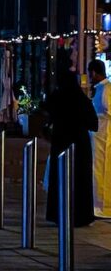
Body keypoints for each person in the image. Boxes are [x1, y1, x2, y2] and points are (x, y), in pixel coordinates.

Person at [42, 49, 98, 227]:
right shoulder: (82, 100)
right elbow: (93, 123)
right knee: (80, 180)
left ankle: (58, 212)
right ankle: (81, 215)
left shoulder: (57, 97)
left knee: (60, 178)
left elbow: (46, 111)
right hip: (80, 144)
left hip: (61, 142)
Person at [89, 58, 111, 218]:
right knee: (97, 168)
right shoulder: (101, 89)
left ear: (94, 73)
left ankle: (101, 206)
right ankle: (97, 204)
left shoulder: (106, 90)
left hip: (104, 136)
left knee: (101, 168)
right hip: (98, 136)